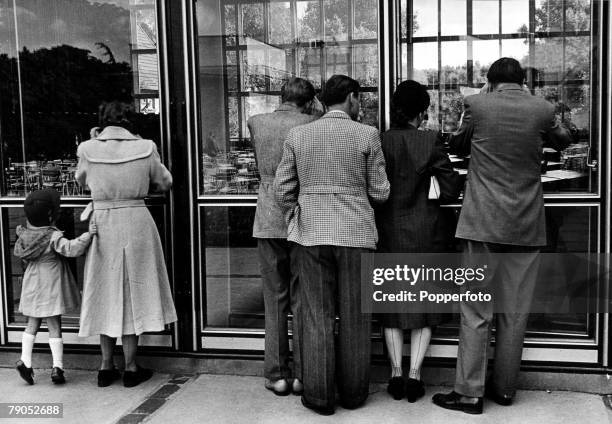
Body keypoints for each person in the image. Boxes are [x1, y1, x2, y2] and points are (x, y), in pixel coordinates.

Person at [432, 58, 572, 414]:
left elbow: (459, 146)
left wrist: (476, 108)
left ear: (490, 82)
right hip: (526, 223)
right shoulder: (542, 108)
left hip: (482, 222)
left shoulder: (476, 104)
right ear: (522, 81)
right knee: (514, 310)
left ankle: (468, 393)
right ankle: (505, 389)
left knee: (476, 310)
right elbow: (564, 141)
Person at [274, 74, 390, 415]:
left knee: (315, 316)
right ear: (352, 98)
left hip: (310, 235)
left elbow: (282, 190)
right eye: (359, 99)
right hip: (355, 234)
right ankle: (354, 395)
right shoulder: (367, 135)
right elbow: (381, 191)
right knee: (355, 315)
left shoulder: (298, 134)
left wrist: (300, 212)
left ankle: (320, 397)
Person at [76, 100, 177, 388]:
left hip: (103, 222)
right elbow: (164, 182)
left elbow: (81, 180)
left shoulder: (87, 148)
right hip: (136, 220)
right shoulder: (146, 147)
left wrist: (95, 141)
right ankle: (131, 366)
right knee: (135, 291)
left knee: (104, 290)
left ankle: (106, 365)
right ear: (130, 122)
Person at [376, 80, 461, 402]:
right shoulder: (430, 140)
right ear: (422, 111)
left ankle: (395, 374)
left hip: (388, 230)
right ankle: (415, 376)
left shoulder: (380, 140)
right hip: (426, 232)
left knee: (391, 304)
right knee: (425, 303)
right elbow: (450, 186)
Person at [247, 77, 321, 396]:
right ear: (309, 101)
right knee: (301, 298)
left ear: (281, 96)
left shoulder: (256, 122)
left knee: (273, 298)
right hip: (301, 215)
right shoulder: (313, 123)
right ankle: (303, 373)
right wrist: (315, 108)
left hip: (267, 214)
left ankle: (276, 374)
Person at [14, 189, 96, 385]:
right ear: (51, 215)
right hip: (51, 284)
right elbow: (71, 249)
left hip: (33, 283)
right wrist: (87, 235)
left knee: (31, 324)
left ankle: (25, 360)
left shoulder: (25, 235)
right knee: (54, 325)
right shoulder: (52, 236)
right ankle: (57, 367)